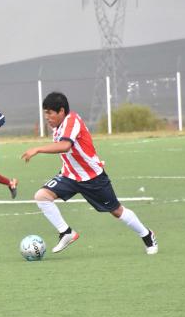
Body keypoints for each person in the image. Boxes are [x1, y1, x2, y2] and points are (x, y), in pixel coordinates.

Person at [21, 91, 158, 255]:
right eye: (46, 113)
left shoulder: (72, 121)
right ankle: (66, 232)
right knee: (41, 196)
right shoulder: (57, 126)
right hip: (69, 175)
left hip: (92, 178)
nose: (47, 117)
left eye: (50, 113)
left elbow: (65, 146)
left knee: (117, 211)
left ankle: (147, 235)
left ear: (62, 111)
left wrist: (37, 149)